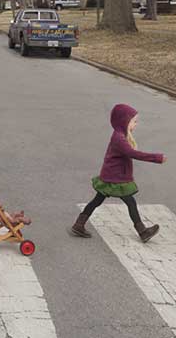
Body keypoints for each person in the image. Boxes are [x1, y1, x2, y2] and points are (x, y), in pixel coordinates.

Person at [69, 104, 165, 243]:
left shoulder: (121, 135)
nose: (136, 124)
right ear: (124, 121)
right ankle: (142, 231)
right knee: (130, 202)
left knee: (97, 201)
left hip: (112, 176)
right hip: (115, 178)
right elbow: (133, 153)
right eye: (134, 121)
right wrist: (157, 158)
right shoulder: (119, 138)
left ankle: (79, 224)